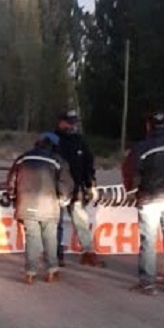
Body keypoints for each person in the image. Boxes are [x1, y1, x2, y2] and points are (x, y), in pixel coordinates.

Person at [123, 112, 164, 296]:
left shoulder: (142, 148)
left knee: (149, 241)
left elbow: (133, 173)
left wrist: (131, 193)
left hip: (149, 199)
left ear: (149, 126)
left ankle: (148, 284)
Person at [7, 132, 73, 284]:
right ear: (54, 146)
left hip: (26, 204)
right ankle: (52, 270)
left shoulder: (23, 158)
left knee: (32, 238)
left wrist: (12, 197)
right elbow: (65, 183)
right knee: (50, 238)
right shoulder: (57, 161)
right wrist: (63, 199)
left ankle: (30, 272)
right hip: (49, 206)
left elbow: (12, 180)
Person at [54, 109, 104, 267]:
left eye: (74, 122)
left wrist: (91, 184)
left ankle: (89, 253)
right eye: (70, 122)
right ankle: (56, 255)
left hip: (76, 188)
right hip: (56, 189)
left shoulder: (79, 140)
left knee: (81, 220)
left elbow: (89, 163)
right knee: (56, 222)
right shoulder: (52, 140)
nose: (73, 126)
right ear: (61, 122)